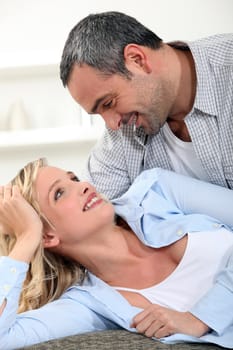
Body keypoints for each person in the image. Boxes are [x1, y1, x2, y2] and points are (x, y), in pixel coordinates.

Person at [0, 159, 233, 349]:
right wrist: (27, 237)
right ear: (47, 237)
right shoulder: (88, 306)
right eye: (59, 193)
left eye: (74, 179)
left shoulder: (156, 190)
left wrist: (201, 318)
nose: (84, 186)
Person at [60, 11, 233, 199]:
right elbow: (86, 215)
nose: (112, 124)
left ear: (137, 60)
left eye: (109, 103)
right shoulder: (122, 134)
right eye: (99, 112)